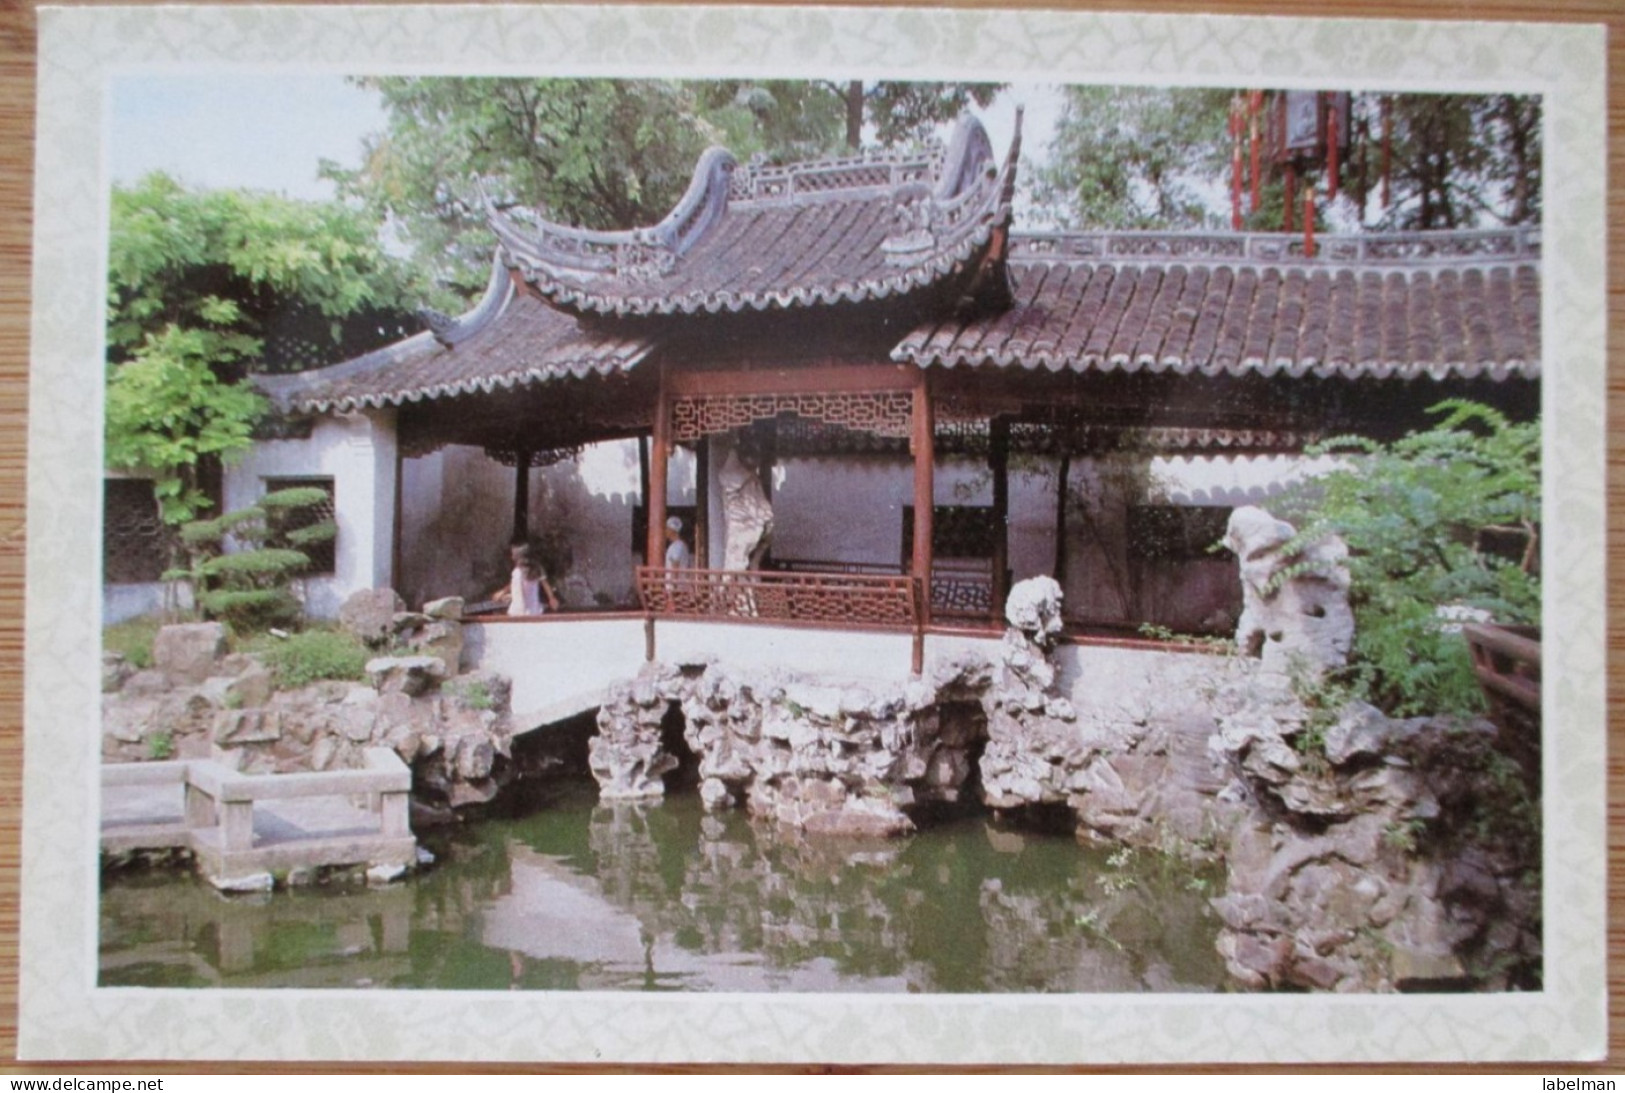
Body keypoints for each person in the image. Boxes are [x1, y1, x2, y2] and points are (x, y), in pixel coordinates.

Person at [491, 543, 559, 617]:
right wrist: (504, 593)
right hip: (533, 612)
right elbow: (517, 587)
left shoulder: (520, 572)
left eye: (513, 555)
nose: (511, 557)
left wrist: (552, 598)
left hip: (519, 613)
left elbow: (543, 585)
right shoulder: (531, 570)